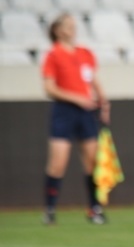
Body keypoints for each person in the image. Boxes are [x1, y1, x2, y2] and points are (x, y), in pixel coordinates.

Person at [41, 12, 110, 225]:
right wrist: (77, 98)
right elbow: (49, 88)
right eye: (68, 25)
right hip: (64, 111)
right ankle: (50, 209)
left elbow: (92, 80)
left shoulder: (84, 53)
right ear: (58, 30)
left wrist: (103, 101)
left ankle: (94, 209)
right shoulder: (53, 55)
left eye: (73, 25)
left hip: (86, 112)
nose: (73, 28)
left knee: (92, 161)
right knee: (57, 163)